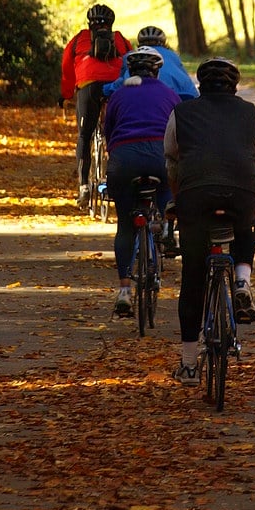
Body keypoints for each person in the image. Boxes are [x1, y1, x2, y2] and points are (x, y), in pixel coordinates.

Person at [164, 57, 255, 385]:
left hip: (195, 194)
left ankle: (188, 364)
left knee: (193, 277)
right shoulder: (251, 113)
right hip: (242, 194)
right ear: (235, 86)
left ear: (200, 85)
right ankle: (241, 281)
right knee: (246, 224)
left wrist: (176, 200)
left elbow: (171, 156)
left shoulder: (182, 112)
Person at [103, 46, 181, 317]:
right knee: (167, 186)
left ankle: (124, 290)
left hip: (124, 160)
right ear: (157, 71)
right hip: (159, 157)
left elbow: (107, 132)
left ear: (130, 70)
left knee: (125, 226)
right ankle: (166, 220)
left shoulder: (118, 94)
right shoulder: (170, 94)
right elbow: (178, 135)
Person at [59, 4, 132, 208]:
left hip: (88, 87)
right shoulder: (121, 40)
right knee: (116, 136)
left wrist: (65, 95)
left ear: (89, 23)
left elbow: (67, 69)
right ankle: (115, 181)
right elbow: (131, 62)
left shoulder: (78, 39)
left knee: (84, 135)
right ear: (111, 24)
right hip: (115, 88)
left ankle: (83, 185)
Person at [102, 25, 198, 101]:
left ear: (139, 44)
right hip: (179, 96)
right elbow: (188, 83)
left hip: (138, 98)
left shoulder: (132, 56)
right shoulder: (173, 55)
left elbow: (120, 82)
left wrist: (105, 89)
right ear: (164, 43)